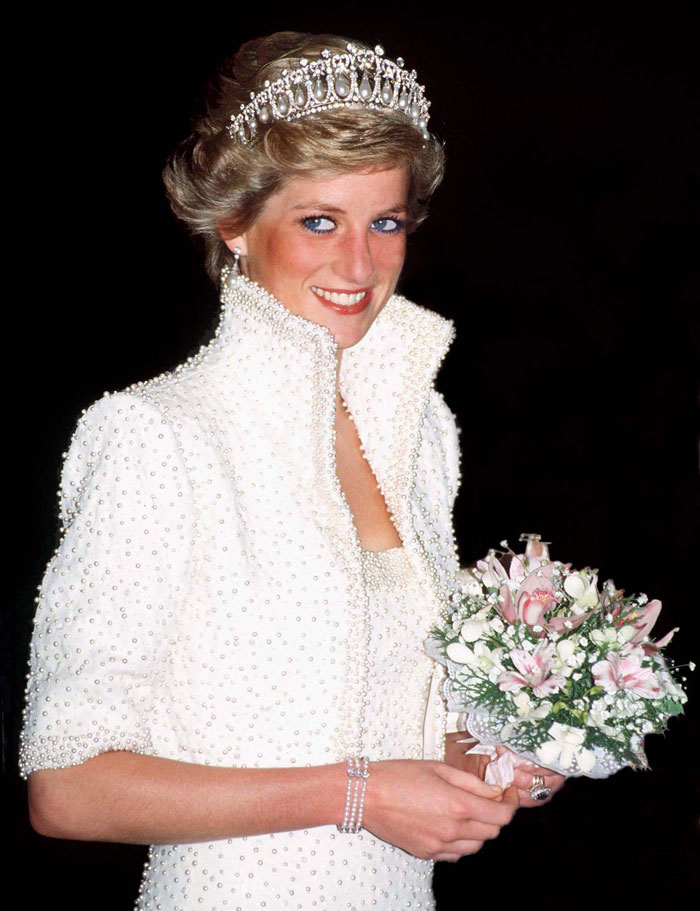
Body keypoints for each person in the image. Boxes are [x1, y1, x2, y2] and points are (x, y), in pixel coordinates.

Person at [21, 32, 562, 910]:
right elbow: (69, 787)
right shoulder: (157, 433)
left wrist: (497, 759)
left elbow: (414, 719)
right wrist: (364, 796)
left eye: (384, 221)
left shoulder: (423, 431)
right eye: (320, 220)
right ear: (236, 225)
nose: (359, 264)